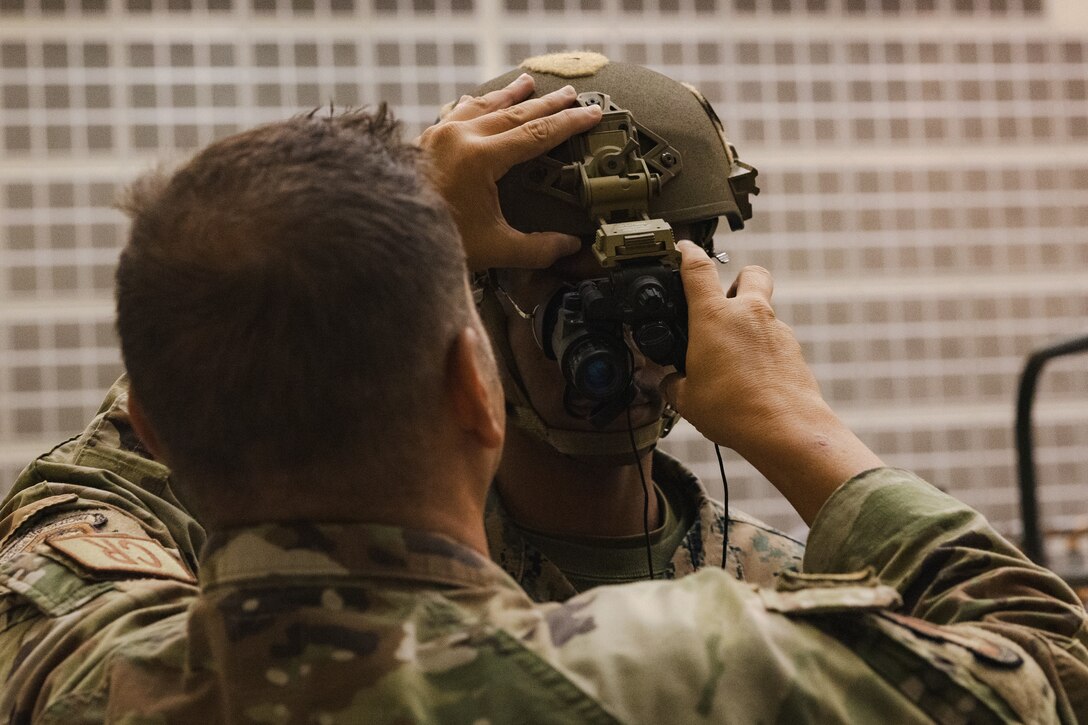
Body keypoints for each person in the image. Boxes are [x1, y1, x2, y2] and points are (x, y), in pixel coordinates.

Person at [0, 78, 1085, 723]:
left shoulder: (118, 666)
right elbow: (1047, 665)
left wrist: (381, 244)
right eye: (564, 297)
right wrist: (796, 426)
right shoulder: (729, 662)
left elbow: (101, 489)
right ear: (472, 369)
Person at [455, 54, 803, 600]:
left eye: (654, 295)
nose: (632, 347)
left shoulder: (781, 587)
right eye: (578, 305)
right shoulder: (399, 586)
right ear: (476, 302)